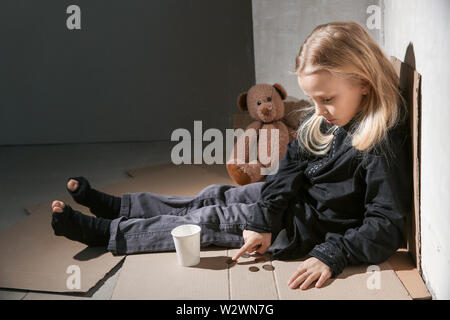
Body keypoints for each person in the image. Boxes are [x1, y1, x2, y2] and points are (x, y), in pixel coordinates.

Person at [50, 21, 413, 291]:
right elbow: (290, 170)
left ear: (364, 82)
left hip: (300, 227)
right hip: (284, 207)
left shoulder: (379, 142)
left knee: (208, 219)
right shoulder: (330, 118)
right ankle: (120, 208)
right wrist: (265, 215)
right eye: (314, 99)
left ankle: (106, 232)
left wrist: (333, 254)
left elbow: (385, 224)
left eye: (327, 99)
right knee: (213, 194)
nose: (319, 109)